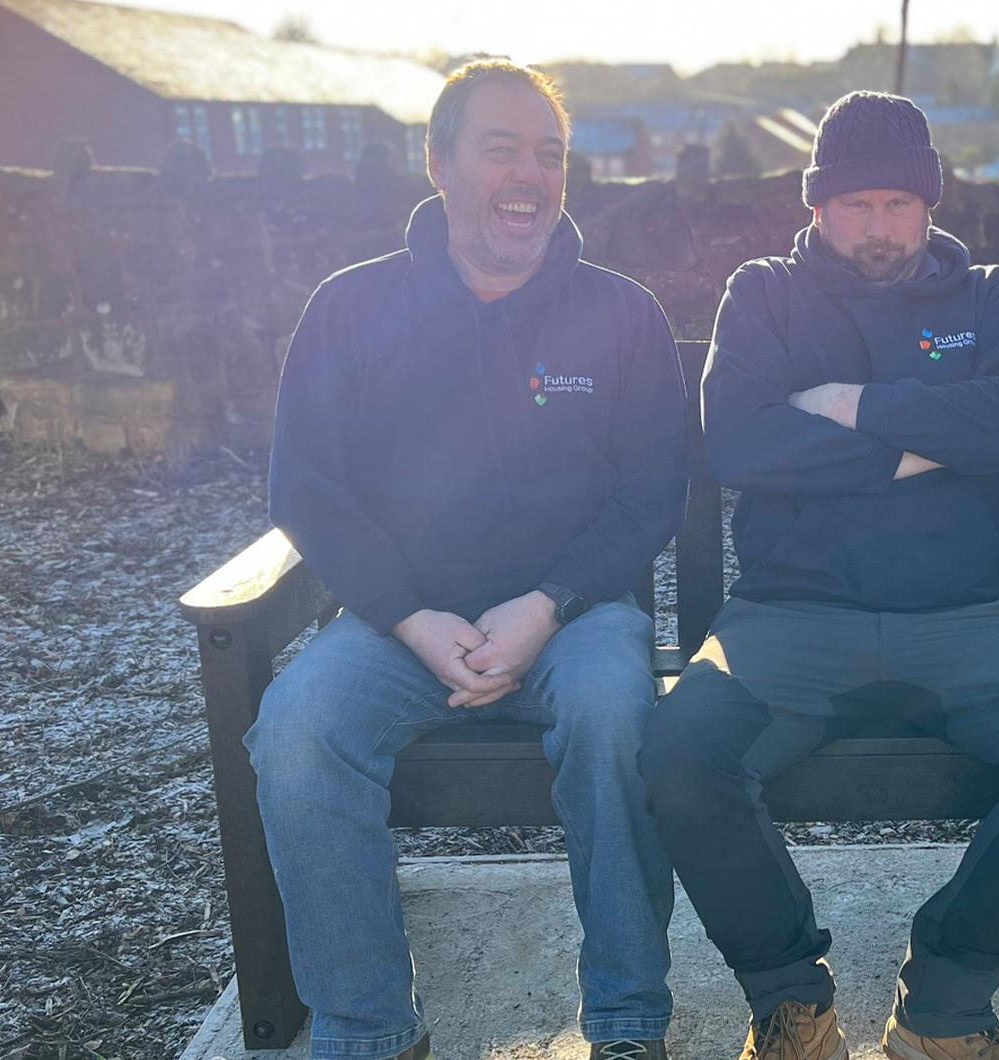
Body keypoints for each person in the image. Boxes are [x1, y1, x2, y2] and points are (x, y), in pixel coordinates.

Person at [641, 90, 999, 1060]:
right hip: (790, 618)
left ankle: (944, 1007)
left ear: (929, 205)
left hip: (970, 619)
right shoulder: (763, 295)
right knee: (678, 752)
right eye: (856, 203)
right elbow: (738, 439)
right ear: (817, 205)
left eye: (898, 204)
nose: (878, 226)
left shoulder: (988, 299)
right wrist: (916, 445)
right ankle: (791, 1001)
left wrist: (848, 404)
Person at [252, 60, 688, 1060]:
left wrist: (548, 600)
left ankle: (626, 1025)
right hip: (397, 624)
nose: (531, 174)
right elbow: (306, 488)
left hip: (576, 622)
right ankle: (367, 1032)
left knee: (616, 717)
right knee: (298, 728)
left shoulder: (621, 316)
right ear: (439, 162)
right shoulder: (350, 309)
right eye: (502, 148)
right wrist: (408, 615)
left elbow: (652, 489)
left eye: (550, 153)